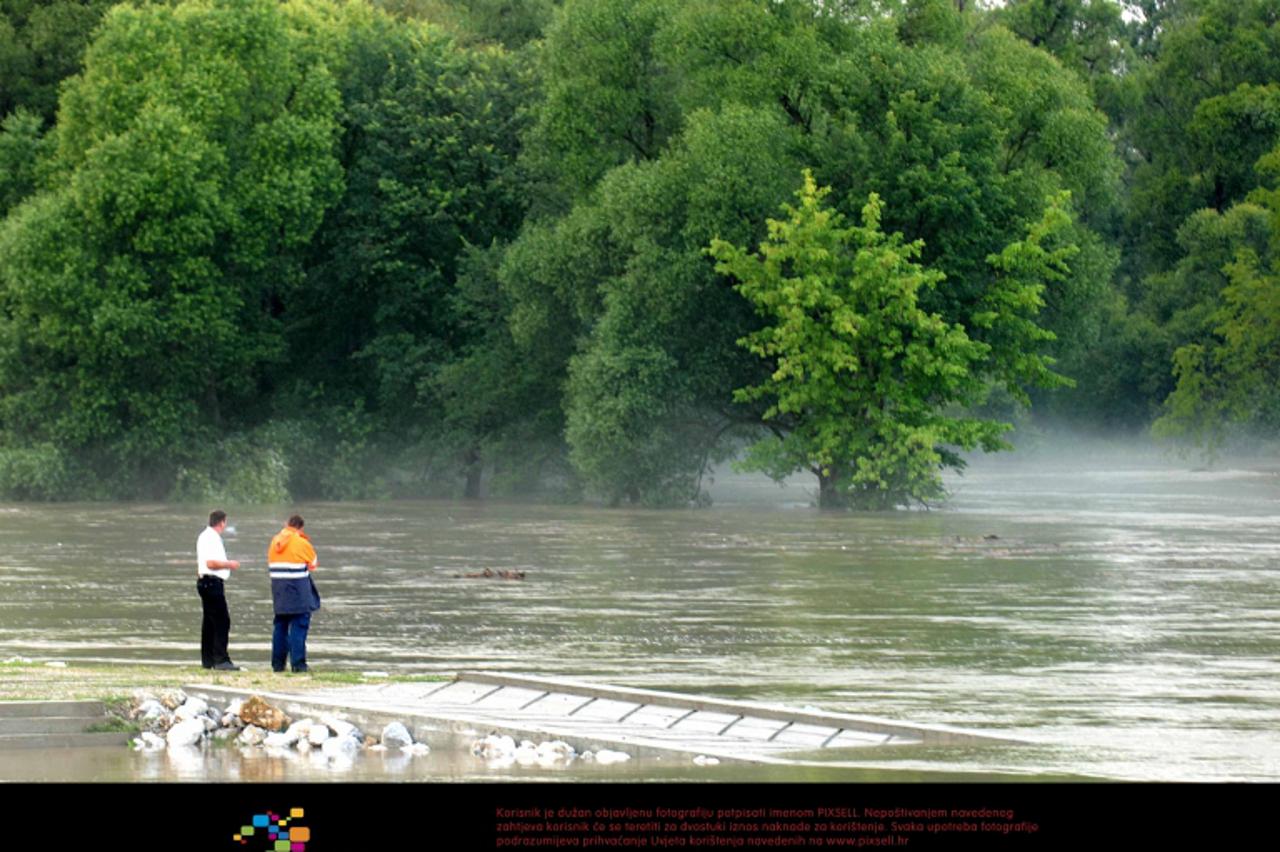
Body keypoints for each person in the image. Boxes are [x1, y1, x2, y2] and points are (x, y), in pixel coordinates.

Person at [267, 514, 322, 673]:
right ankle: (298, 665)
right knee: (299, 626)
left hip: (279, 590)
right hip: (298, 590)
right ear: (300, 527)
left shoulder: (274, 541)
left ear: (287, 525)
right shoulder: (302, 542)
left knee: (280, 627)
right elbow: (313, 565)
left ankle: (277, 665)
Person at [196, 509, 241, 670]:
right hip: (212, 582)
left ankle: (208, 660)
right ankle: (221, 659)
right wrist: (230, 564)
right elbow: (211, 563)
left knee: (209, 622)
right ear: (222, 522)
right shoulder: (212, 538)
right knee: (222, 621)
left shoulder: (204, 536)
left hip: (205, 582)